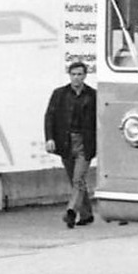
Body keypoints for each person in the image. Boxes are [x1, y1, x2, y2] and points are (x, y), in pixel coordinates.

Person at [44, 59, 97, 228]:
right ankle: (87, 214)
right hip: (66, 142)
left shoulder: (93, 95)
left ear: (85, 76)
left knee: (78, 178)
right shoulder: (59, 94)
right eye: (73, 74)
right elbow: (50, 117)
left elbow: (100, 120)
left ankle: (71, 211)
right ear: (69, 75)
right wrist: (50, 138)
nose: (76, 78)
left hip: (84, 142)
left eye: (79, 75)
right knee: (76, 181)